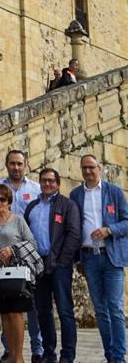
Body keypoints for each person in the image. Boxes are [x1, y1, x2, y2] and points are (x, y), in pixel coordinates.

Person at [70, 154, 128, 363]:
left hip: (111, 258)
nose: (87, 171)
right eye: (84, 168)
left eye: (91, 168)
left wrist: (109, 230)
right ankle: (109, 355)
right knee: (101, 310)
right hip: (89, 258)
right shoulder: (75, 194)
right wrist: (77, 260)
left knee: (115, 308)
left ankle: (119, 356)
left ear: (99, 168)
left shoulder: (114, 192)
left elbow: (127, 222)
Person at [0, 150, 43, 363]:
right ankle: (9, 351)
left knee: (30, 305)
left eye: (20, 163)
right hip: (3, 260)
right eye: (12, 163)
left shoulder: (36, 189)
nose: (16, 167)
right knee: (7, 306)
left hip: (26, 256)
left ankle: (37, 349)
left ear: (26, 164)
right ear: (6, 164)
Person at [24, 168, 81, 363]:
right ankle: (49, 354)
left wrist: (62, 261)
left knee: (65, 310)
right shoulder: (32, 206)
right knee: (42, 310)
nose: (47, 184)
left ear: (57, 183)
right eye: (44, 180)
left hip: (59, 265)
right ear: (39, 183)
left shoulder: (67, 205)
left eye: (51, 181)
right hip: (38, 265)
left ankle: (67, 356)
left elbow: (74, 234)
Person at [0, 184, 38, 363]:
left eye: (2, 199)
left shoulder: (18, 220)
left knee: (16, 314)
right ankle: (11, 354)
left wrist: (12, 250)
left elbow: (32, 243)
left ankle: (19, 357)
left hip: (16, 273)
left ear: (9, 201)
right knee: (5, 314)